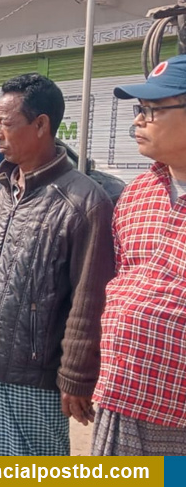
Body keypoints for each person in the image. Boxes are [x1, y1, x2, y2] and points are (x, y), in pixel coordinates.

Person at [0, 74, 114, 456]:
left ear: (41, 124)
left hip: (35, 378)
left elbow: (89, 299)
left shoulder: (84, 202)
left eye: (5, 123)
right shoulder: (2, 193)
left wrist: (76, 375)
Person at [91, 55, 186, 456]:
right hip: (124, 392)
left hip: (177, 409)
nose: (139, 122)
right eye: (139, 110)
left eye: (153, 110)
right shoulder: (136, 194)